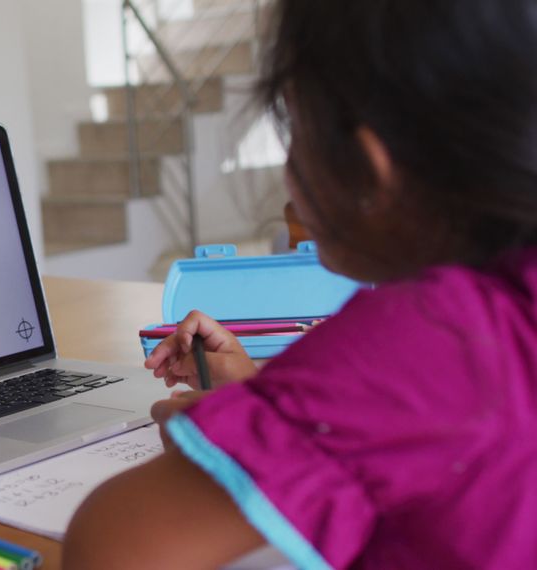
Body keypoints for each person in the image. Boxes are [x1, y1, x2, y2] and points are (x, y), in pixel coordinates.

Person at [63, 0, 537, 568]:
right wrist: (265, 402)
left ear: (368, 169)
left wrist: (216, 444)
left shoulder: (423, 340)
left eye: (293, 128)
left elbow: (109, 549)